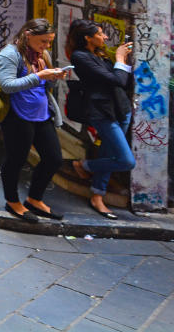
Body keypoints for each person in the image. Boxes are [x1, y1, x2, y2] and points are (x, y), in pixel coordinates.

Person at [0, 18, 68, 223]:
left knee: (53, 158)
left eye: (49, 42)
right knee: (16, 159)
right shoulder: (9, 55)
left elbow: (42, 84)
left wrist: (52, 76)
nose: (46, 46)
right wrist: (40, 76)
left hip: (41, 113)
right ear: (28, 35)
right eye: (43, 41)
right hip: (16, 115)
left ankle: (34, 199)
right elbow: (7, 85)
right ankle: (12, 201)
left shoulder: (41, 54)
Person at [67, 20, 135, 220]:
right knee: (125, 161)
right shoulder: (80, 57)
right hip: (102, 113)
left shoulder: (100, 53)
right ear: (87, 38)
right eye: (100, 33)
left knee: (108, 153)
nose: (105, 37)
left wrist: (119, 60)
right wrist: (121, 58)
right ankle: (84, 166)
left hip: (121, 109)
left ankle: (97, 196)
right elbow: (117, 80)